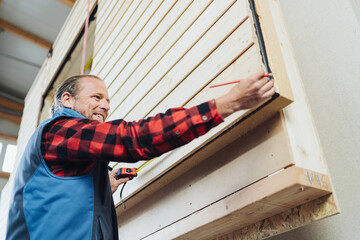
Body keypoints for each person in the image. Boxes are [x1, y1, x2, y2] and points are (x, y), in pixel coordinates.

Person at [6, 69, 274, 240]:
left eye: (108, 101)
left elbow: (56, 202)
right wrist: (226, 104)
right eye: (97, 97)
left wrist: (103, 186)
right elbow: (132, 138)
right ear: (67, 100)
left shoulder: (66, 146)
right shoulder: (60, 130)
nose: (105, 106)